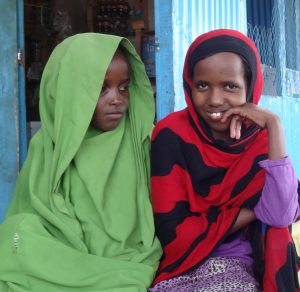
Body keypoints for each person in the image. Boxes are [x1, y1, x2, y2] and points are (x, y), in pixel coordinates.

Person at [0, 33, 161, 291]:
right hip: (65, 249)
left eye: (123, 87)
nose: (116, 99)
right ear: (68, 91)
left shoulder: (141, 139)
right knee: (18, 235)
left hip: (128, 256)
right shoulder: (48, 145)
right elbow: (38, 213)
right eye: (100, 88)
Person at [149, 29, 300, 291]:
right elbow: (174, 236)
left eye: (230, 86)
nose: (215, 100)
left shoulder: (262, 141)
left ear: (250, 88)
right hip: (179, 267)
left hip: (236, 263)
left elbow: (281, 215)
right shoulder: (172, 135)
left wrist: (274, 126)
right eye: (202, 85)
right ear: (189, 84)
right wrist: (254, 210)